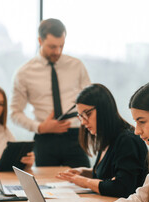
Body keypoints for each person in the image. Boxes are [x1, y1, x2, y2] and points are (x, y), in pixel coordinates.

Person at [11, 18, 91, 168]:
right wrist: (40, 127)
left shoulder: (77, 66)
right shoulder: (24, 73)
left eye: (61, 46)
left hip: (75, 136)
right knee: (44, 187)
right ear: (40, 41)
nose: (58, 52)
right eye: (52, 47)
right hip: (44, 139)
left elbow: (91, 101)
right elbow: (14, 113)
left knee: (84, 183)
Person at [56, 84, 148, 198]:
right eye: (80, 116)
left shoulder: (127, 140)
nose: (83, 122)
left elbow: (122, 187)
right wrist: (84, 172)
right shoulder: (106, 138)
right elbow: (109, 174)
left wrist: (84, 181)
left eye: (87, 114)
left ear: (104, 109)